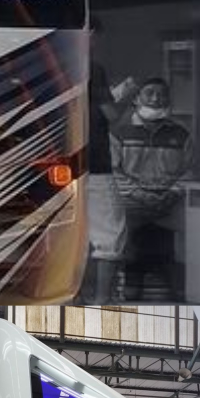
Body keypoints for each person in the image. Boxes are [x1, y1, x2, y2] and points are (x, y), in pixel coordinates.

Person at [86, 30, 139, 282]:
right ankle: (102, 298)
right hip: (95, 163)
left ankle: (77, 296)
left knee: (74, 235)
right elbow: (111, 115)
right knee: (108, 234)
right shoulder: (91, 68)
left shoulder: (51, 65)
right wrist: (127, 96)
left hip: (61, 161)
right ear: (90, 34)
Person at [112, 77, 192, 236]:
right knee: (116, 239)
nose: (155, 99)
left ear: (168, 100)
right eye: (149, 93)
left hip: (171, 202)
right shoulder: (119, 133)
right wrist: (140, 195)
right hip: (130, 202)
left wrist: (173, 192)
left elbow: (191, 169)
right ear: (136, 99)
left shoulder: (181, 134)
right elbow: (113, 171)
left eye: (162, 94)